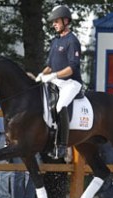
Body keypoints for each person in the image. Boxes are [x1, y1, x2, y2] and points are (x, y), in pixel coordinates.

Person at [35, 5, 82, 159]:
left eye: (56, 21)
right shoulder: (55, 41)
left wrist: (53, 75)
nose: (54, 24)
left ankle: (62, 145)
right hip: (56, 81)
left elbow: (72, 69)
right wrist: (42, 75)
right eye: (53, 21)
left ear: (65, 21)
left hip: (71, 83)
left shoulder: (72, 41)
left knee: (61, 105)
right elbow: (49, 65)